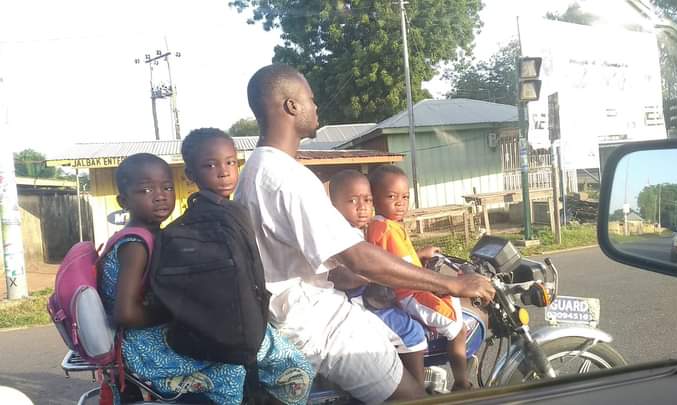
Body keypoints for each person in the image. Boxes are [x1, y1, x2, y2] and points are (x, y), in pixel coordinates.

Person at [236, 63, 495, 404]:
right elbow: (357, 256)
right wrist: (453, 285)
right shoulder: (286, 177)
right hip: (320, 324)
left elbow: (310, 261)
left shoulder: (255, 170)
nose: (316, 108)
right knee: (410, 397)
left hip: (298, 315)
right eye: (311, 100)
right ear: (291, 106)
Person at [98, 152, 311, 405]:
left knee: (239, 345)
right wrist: (179, 312)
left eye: (167, 187)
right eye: (145, 190)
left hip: (151, 338)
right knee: (230, 365)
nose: (160, 195)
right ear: (123, 200)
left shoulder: (159, 236)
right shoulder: (135, 245)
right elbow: (125, 313)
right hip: (144, 349)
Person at [180, 128, 316, 404]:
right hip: (239, 328)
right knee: (298, 372)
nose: (223, 172)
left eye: (230, 162)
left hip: (226, 326)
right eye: (210, 165)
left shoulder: (225, 211)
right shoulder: (220, 217)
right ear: (190, 174)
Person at [366, 164, 473, 390]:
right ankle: (462, 382)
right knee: (458, 328)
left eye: (405, 196)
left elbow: (396, 257)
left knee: (454, 304)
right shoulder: (384, 228)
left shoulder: (385, 225)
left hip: (409, 287)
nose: (400, 202)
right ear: (374, 198)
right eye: (391, 196)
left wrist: (420, 254)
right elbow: (400, 269)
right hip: (409, 292)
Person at [327, 169, 428, 387]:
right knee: (414, 333)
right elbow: (341, 276)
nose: (362, 207)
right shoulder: (339, 235)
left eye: (367, 200)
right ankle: (418, 393)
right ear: (334, 205)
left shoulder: (357, 230)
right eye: (352, 200)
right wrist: (374, 274)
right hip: (358, 302)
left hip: (367, 296)